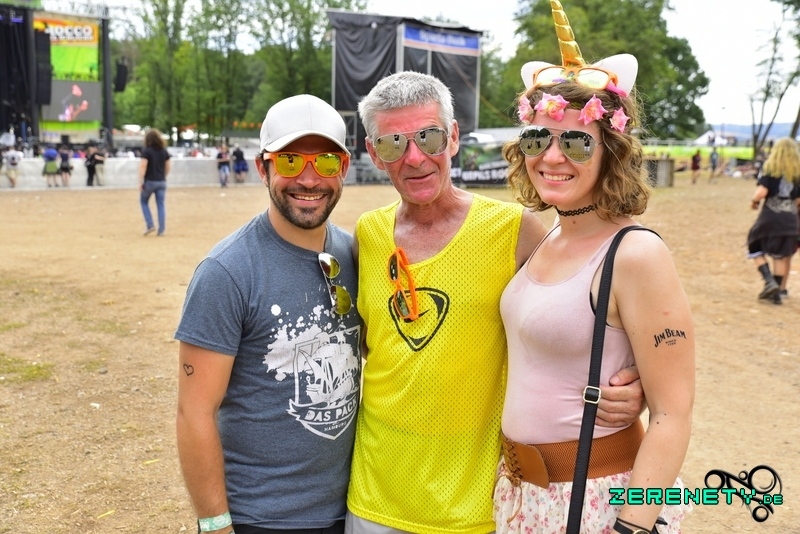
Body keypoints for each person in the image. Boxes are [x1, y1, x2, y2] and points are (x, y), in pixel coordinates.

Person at [346, 71, 645, 534]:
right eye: (392, 144)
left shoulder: (515, 230)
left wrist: (637, 379)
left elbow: (574, 316)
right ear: (373, 152)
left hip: (481, 504)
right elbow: (367, 344)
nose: (414, 157)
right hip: (373, 498)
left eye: (428, 137)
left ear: (453, 138)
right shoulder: (367, 235)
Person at [494, 7, 694, 532]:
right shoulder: (546, 236)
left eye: (576, 141)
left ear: (612, 150)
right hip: (521, 497)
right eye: (537, 138)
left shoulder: (634, 253)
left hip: (594, 500)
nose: (551, 156)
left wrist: (634, 525)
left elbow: (672, 415)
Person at [175, 94, 361, 534]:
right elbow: (194, 413)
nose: (309, 179)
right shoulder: (226, 272)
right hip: (260, 518)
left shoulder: (355, 253)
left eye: (326, 161)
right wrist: (216, 526)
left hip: (351, 510)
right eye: (291, 161)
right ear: (264, 168)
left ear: (344, 168)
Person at [746, 137, 800, 304]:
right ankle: (776, 295)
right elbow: (798, 201)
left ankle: (769, 281)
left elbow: (761, 192)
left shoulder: (770, 169)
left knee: (754, 245)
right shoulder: (797, 173)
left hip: (771, 217)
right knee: (780, 255)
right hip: (790, 220)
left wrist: (754, 202)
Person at [138, 129, 171, 236]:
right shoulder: (164, 151)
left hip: (150, 181)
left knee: (143, 202)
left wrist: (140, 181)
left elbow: (143, 166)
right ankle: (161, 230)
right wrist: (163, 176)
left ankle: (150, 224)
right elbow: (168, 166)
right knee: (160, 205)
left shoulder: (146, 151)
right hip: (161, 181)